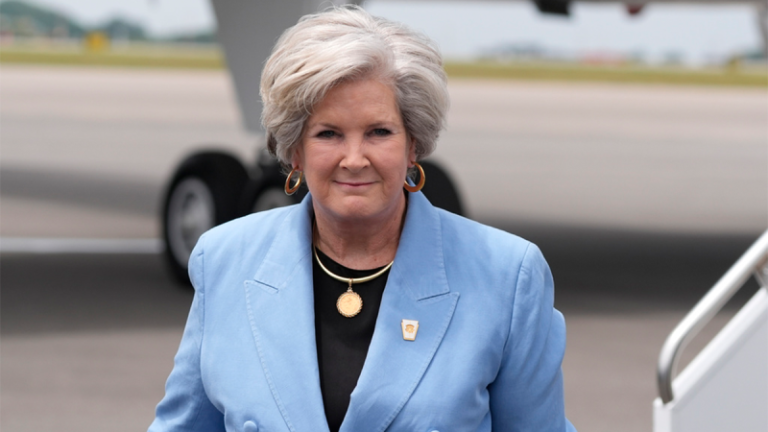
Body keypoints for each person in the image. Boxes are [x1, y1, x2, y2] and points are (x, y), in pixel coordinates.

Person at [149, 6, 576, 432]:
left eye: (379, 132)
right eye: (328, 134)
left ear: (413, 144)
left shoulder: (508, 277)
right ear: (295, 151)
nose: (354, 160)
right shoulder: (224, 260)